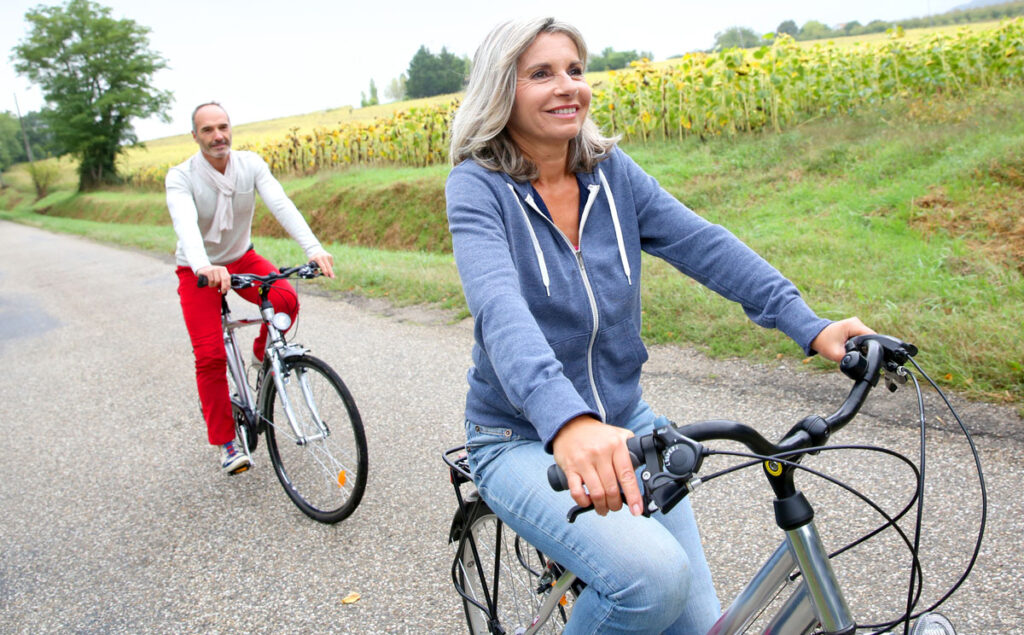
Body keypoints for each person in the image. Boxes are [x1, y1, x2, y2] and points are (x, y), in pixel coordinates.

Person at [445, 18, 874, 634]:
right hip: (518, 434)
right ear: (500, 91)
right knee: (652, 582)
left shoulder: (610, 173)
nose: (568, 86)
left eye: (574, 70)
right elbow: (498, 308)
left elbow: (704, 244)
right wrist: (566, 422)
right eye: (541, 73)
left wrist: (810, 325)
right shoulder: (477, 187)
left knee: (699, 626)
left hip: (627, 424)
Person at [166, 102, 335, 474]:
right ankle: (227, 443)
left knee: (285, 298)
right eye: (207, 130)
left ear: (231, 129)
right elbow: (185, 225)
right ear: (194, 136)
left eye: (222, 127)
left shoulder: (250, 165)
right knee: (210, 355)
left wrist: (314, 249)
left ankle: (262, 357)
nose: (217, 136)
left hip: (242, 258)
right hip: (199, 270)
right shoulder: (181, 177)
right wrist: (204, 265)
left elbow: (281, 204)